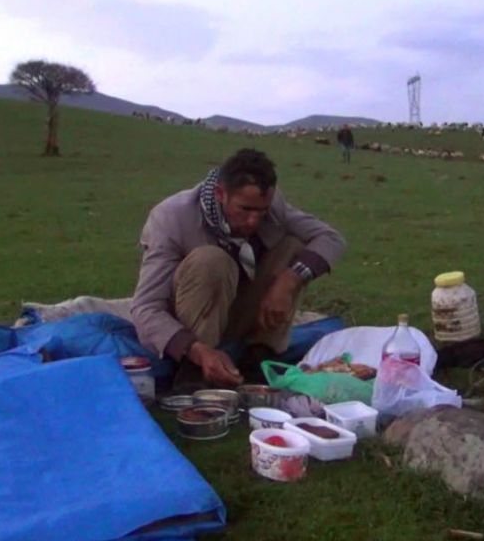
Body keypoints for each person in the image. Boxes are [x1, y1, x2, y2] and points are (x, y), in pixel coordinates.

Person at [130, 148, 346, 389]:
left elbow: (330, 239)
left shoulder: (272, 205)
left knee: (293, 246)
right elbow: (146, 307)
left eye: (261, 211)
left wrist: (288, 281)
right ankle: (194, 373)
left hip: (237, 313)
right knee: (211, 260)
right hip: (189, 326)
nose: (254, 220)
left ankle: (258, 360)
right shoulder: (171, 217)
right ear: (221, 194)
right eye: (244, 209)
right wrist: (196, 350)